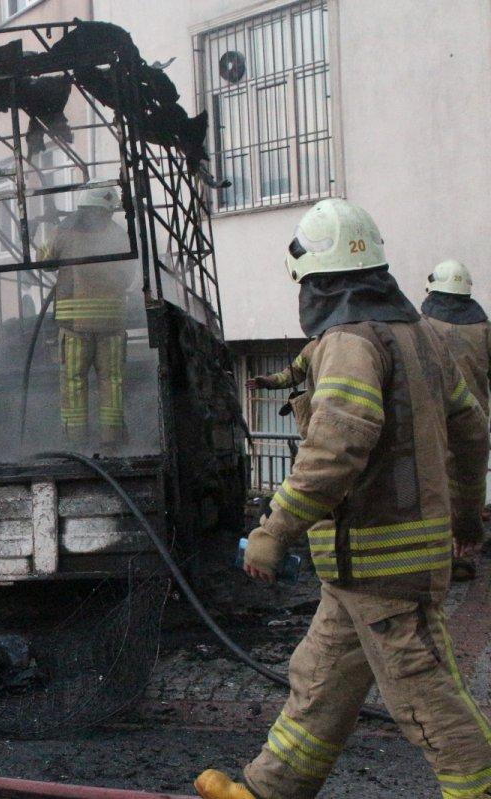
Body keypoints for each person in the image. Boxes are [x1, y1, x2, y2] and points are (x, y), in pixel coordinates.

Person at [195, 199, 491, 799]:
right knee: (321, 681)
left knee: (427, 696)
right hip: (359, 569)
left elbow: (335, 448)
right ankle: (266, 790)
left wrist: (274, 532)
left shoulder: (352, 342)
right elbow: (472, 432)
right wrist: (466, 521)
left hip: (382, 561)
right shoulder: (424, 337)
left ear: (318, 282)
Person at [47, 185, 137, 447]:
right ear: (107, 210)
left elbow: (43, 258)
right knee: (112, 381)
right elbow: (129, 275)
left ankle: (76, 443)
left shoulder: (64, 231)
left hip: (74, 325)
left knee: (74, 382)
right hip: (112, 323)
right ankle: (112, 440)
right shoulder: (118, 234)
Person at [420, 259, 491, 583]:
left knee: (435, 486)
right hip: (474, 417)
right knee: (469, 488)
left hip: (436, 416)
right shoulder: (483, 326)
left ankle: (440, 558)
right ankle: (463, 553)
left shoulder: (425, 324)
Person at [245, 339, 317, 391]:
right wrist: (268, 381)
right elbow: (293, 373)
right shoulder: (312, 348)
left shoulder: (314, 347)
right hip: (320, 408)